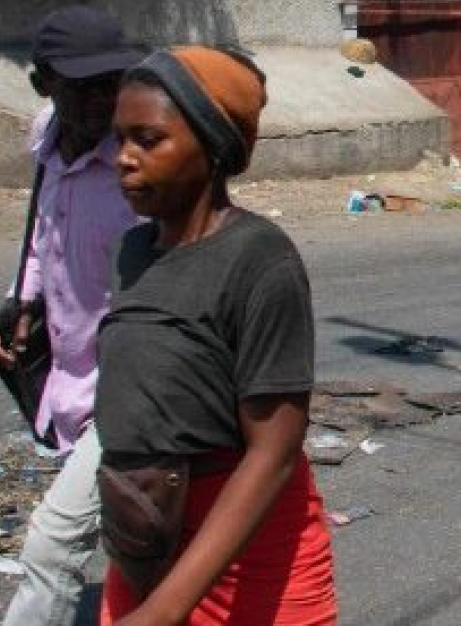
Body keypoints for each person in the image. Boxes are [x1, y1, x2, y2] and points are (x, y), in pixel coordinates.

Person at [98, 47, 336, 624]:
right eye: (120, 139)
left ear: (211, 147)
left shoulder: (260, 259)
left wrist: (163, 612)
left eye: (148, 140)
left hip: (245, 556)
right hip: (142, 537)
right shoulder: (133, 251)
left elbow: (273, 454)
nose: (124, 159)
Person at [0, 7, 145, 626]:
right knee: (140, 536)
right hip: (73, 376)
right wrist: (21, 300)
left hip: (134, 387)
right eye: (85, 86)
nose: (104, 100)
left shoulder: (144, 160)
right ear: (44, 84)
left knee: (53, 545)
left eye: (114, 82)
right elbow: (43, 232)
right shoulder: (46, 138)